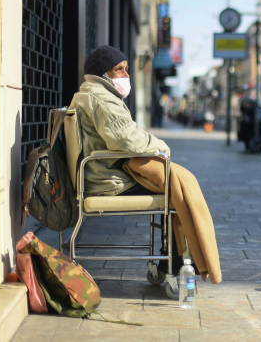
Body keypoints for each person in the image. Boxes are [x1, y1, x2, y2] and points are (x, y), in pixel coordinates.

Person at [69, 46, 183, 273]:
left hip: (97, 174)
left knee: (172, 183)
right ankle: (172, 265)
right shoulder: (102, 98)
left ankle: (169, 260)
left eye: (126, 68)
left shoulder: (90, 93)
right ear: (103, 74)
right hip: (107, 180)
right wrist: (161, 146)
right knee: (177, 192)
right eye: (119, 69)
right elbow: (127, 141)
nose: (127, 75)